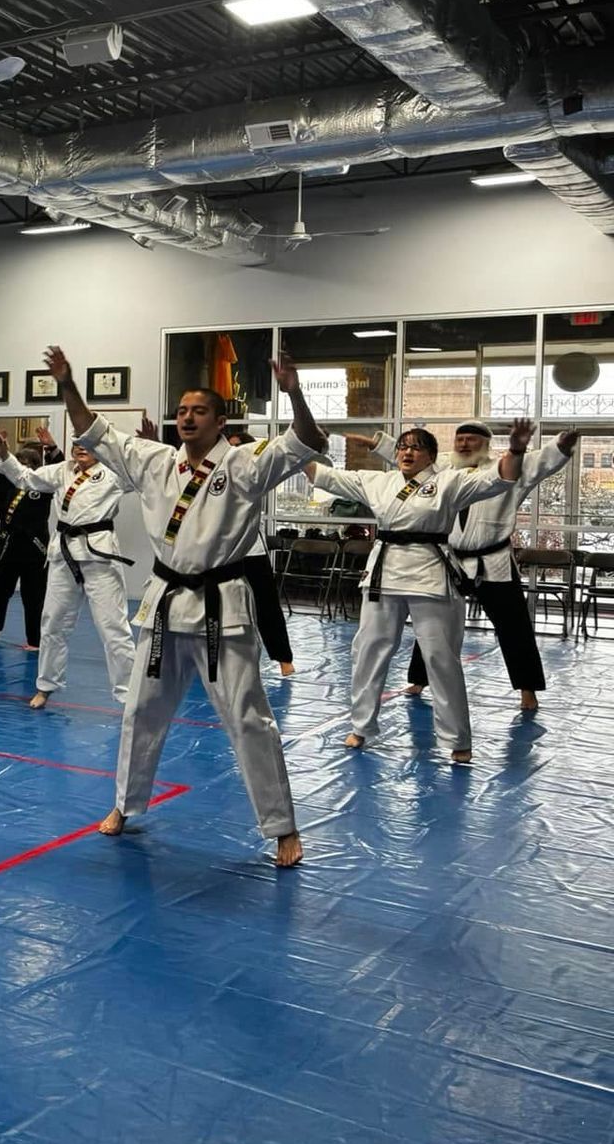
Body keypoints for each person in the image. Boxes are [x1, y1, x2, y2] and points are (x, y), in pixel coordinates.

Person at [46, 345, 325, 868]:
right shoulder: (154, 461)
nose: (187, 417)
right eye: (182, 410)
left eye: (199, 411)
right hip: (165, 601)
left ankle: (282, 827)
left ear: (221, 421)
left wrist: (293, 392)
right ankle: (125, 805)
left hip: (223, 604)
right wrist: (67, 383)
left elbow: (307, 440)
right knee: (140, 711)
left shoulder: (245, 462)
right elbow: (92, 430)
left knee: (247, 718)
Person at [307, 422, 531, 763]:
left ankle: (457, 738)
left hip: (430, 574)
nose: (407, 452)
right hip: (384, 574)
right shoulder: (377, 482)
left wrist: (515, 450)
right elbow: (325, 476)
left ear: (430, 456)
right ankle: (360, 726)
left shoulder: (448, 481)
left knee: (441, 658)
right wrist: (300, 450)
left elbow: (499, 478)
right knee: (368, 652)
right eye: (402, 447)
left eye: (416, 447)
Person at [348, 422, 578, 713]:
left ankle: (527, 690)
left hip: (492, 562)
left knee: (514, 627)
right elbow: (411, 454)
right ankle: (418, 680)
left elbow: (542, 460)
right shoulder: (443, 469)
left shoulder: (507, 468)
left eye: (471, 440)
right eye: (459, 439)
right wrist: (376, 443)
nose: (464, 445)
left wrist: (563, 441)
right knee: (430, 623)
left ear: (486, 444)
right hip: (448, 559)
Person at [0, 426, 136, 708]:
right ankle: (46, 685)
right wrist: (3, 452)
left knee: (113, 627)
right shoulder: (61, 471)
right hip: (63, 553)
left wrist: (146, 444)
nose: (80, 448)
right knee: (53, 622)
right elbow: (24, 477)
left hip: (99, 554)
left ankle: (129, 694)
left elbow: (143, 475)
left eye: (88, 444)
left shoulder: (114, 473)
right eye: (76, 443)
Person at [0, 426, 59, 649]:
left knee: (34, 597)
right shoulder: (5, 485)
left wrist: (51, 447)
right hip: (7, 546)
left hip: (35, 548)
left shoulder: (44, 486)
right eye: (18, 463)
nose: (21, 469)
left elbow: (60, 468)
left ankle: (35, 640)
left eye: (27, 464)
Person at [223, 428, 300, 678]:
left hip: (251, 550)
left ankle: (283, 659)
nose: (233, 451)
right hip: (218, 552)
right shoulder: (214, 473)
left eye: (238, 446)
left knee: (266, 605)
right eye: (229, 446)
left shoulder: (254, 476)